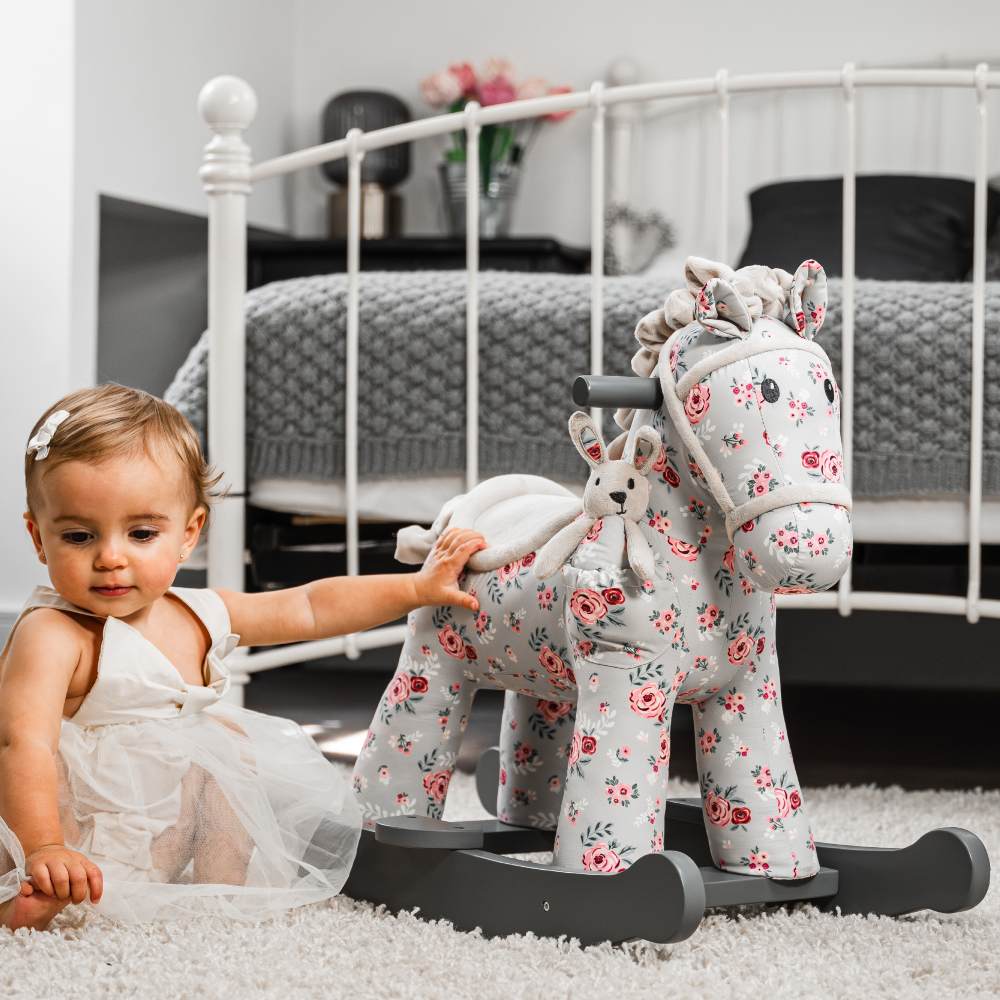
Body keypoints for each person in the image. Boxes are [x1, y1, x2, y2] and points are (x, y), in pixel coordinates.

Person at [0, 384, 485, 930]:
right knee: (30, 806)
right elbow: (26, 745)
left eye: (141, 533)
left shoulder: (200, 613)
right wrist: (42, 845)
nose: (110, 558)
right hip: (60, 817)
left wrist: (416, 589)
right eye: (79, 535)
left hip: (156, 826)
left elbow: (309, 606)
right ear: (39, 538)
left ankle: (219, 892)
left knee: (229, 750)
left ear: (188, 534)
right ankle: (30, 886)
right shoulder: (54, 634)